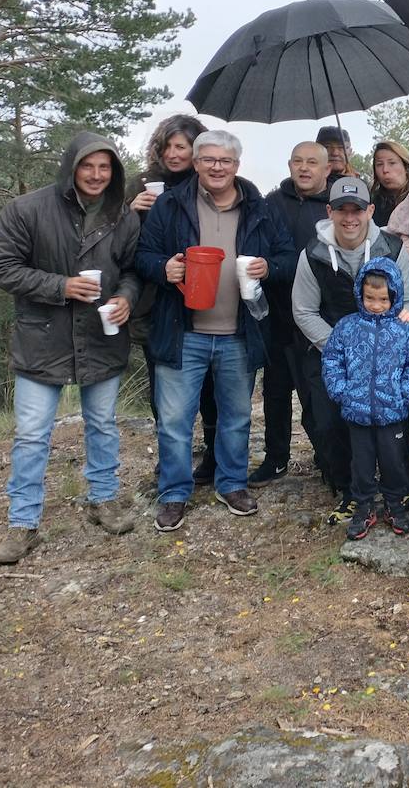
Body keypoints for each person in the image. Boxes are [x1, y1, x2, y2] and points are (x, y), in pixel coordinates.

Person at [0, 132, 142, 564]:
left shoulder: (123, 216)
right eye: (87, 166)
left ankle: (103, 500)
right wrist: (59, 286)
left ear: (115, 172)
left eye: (105, 167)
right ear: (71, 167)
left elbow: (131, 270)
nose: (95, 175)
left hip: (100, 337)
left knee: (103, 424)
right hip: (42, 339)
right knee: (32, 436)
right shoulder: (27, 209)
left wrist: (127, 297)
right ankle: (23, 523)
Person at [135, 129, 293, 533]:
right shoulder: (170, 204)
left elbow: (289, 257)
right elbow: (142, 256)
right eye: (208, 160)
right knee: (173, 419)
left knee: (237, 416)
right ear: (197, 163)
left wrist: (268, 268)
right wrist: (163, 269)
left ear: (237, 166)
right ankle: (173, 493)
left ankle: (232, 484)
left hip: (239, 331)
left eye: (225, 161)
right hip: (181, 331)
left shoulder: (259, 207)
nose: (217, 167)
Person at [293, 177, 409, 521]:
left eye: (357, 210)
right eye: (342, 210)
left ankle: (402, 486)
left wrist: (399, 335)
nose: (350, 218)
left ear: (370, 210)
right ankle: (349, 489)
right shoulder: (313, 253)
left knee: (399, 417)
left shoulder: (392, 248)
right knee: (329, 422)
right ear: (330, 211)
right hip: (330, 347)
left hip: (389, 351)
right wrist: (342, 347)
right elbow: (303, 310)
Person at [125, 114, 218, 485]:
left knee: (210, 383)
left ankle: (212, 457)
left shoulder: (209, 183)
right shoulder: (140, 185)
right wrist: (130, 213)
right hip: (155, 300)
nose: (173, 153)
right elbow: (118, 244)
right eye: (168, 146)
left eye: (182, 146)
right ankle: (169, 462)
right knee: (161, 383)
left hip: (204, 296)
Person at [321, 257, 409, 540]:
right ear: (360, 293)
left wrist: (405, 394)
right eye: (370, 298)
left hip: (392, 412)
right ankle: (364, 505)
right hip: (356, 410)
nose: (376, 304)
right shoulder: (347, 327)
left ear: (393, 296)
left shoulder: (407, 330)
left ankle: (395, 503)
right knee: (362, 462)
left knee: (394, 460)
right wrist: (341, 391)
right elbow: (332, 359)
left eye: (383, 299)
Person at [254, 141, 331, 486]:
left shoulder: (336, 207)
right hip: (277, 313)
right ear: (288, 165)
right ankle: (276, 457)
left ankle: (326, 455)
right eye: (298, 161)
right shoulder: (271, 204)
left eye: (312, 162)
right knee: (275, 391)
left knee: (316, 393)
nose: (304, 168)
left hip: (319, 317)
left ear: (327, 170)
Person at [369, 140, 409, 227]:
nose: (385, 170)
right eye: (379, 164)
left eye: (392, 163)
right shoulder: (371, 202)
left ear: (406, 167)